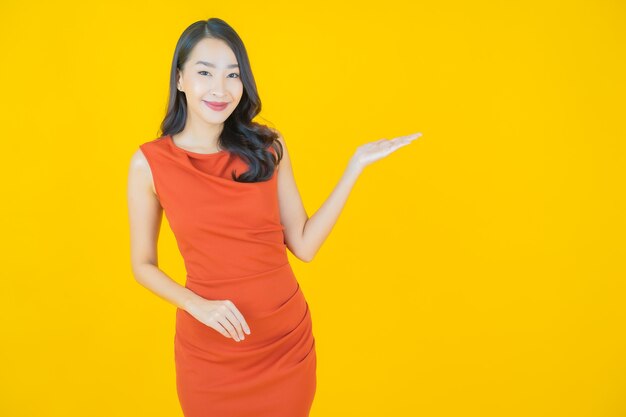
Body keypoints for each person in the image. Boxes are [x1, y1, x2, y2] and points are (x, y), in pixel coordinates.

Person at [127, 17, 421, 417]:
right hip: (210, 350)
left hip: (284, 343)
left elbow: (304, 244)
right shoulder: (150, 163)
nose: (220, 88)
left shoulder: (268, 146)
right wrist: (196, 306)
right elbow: (143, 265)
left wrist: (354, 167)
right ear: (180, 79)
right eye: (204, 72)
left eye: (233, 74)